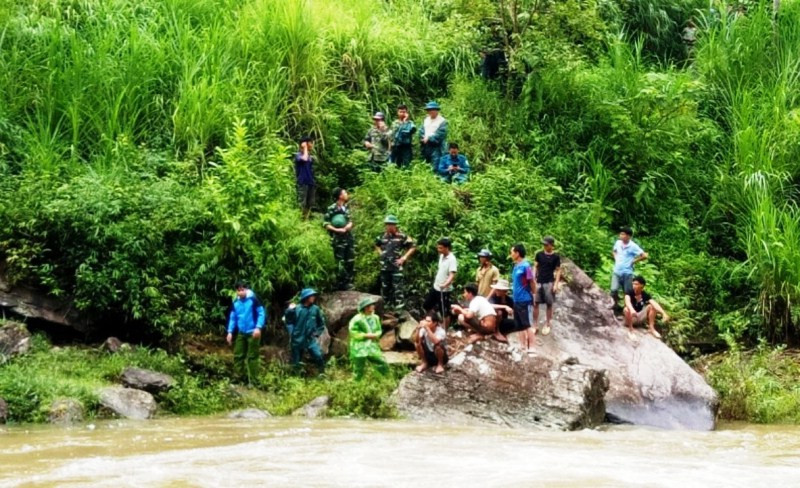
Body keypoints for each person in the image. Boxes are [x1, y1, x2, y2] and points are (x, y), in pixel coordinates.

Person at [226, 281, 266, 384]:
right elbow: (233, 318)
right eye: (238, 290)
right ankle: (239, 376)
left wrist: (258, 327)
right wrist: (230, 332)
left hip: (253, 332)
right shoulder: (236, 302)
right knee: (238, 354)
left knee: (252, 357)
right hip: (241, 332)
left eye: (242, 289)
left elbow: (261, 313)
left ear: (246, 289)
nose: (240, 292)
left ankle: (254, 380)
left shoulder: (254, 299)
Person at [375, 215, 416, 313]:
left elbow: (413, 246)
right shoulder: (381, 236)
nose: (389, 227)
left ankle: (399, 310)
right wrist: (381, 253)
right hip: (385, 267)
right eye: (387, 224)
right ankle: (385, 308)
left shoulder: (402, 236)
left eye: (391, 225)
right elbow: (376, 244)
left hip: (396, 267)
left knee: (398, 289)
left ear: (395, 225)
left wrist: (404, 258)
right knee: (385, 288)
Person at [348, 297, 390, 380]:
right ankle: (357, 382)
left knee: (381, 362)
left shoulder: (376, 318)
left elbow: (379, 330)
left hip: (372, 345)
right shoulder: (357, 319)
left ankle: (384, 378)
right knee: (358, 366)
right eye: (371, 305)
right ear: (366, 307)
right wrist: (365, 335)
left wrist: (376, 335)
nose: (373, 306)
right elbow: (353, 331)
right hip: (359, 346)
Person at [323, 188, 355, 291]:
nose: (346, 194)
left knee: (350, 260)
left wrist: (348, 226)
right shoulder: (331, 208)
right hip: (337, 239)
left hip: (348, 237)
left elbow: (350, 220)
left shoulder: (346, 208)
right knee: (339, 261)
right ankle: (340, 283)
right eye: (345, 192)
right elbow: (326, 224)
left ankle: (348, 282)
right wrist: (336, 230)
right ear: (340, 196)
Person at [423, 238, 457, 329]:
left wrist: (445, 284)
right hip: (436, 287)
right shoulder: (442, 256)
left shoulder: (452, 259)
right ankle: (433, 321)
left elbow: (452, 274)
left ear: (447, 248)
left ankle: (444, 330)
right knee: (427, 305)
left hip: (444, 290)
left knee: (444, 311)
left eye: (441, 248)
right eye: (438, 247)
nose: (439, 250)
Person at [290, 288, 326, 374]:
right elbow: (289, 322)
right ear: (306, 297)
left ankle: (322, 375)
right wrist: (292, 334)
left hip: (310, 339)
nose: (313, 297)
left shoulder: (315, 309)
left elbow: (321, 324)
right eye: (311, 296)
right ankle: (296, 379)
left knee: (318, 356)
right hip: (297, 339)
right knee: (296, 360)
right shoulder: (297, 309)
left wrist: (316, 334)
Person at [611, 227, 648, 309]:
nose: (620, 235)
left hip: (627, 272)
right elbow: (614, 251)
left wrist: (634, 261)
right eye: (620, 234)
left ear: (628, 236)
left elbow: (645, 255)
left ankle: (626, 308)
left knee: (627, 292)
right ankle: (615, 305)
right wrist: (616, 258)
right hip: (617, 271)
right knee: (614, 289)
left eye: (623, 234)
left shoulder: (633, 246)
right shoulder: (618, 243)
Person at [623, 276, 670, 341]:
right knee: (626, 309)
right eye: (633, 284)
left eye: (636, 284)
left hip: (639, 317)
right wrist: (631, 310)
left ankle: (652, 329)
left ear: (642, 285)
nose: (634, 286)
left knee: (651, 306)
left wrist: (663, 313)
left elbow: (654, 303)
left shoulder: (645, 294)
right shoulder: (629, 292)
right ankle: (631, 331)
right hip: (630, 318)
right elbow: (627, 301)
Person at [533, 236, 562, 336]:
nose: (544, 246)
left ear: (551, 245)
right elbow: (535, 266)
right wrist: (533, 279)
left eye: (546, 244)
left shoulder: (556, 257)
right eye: (544, 244)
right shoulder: (539, 254)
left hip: (549, 282)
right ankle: (535, 325)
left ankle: (548, 324)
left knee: (549, 304)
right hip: (539, 281)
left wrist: (556, 284)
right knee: (535, 303)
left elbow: (558, 270)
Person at [510, 243, 536, 353]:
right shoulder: (516, 266)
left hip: (525, 299)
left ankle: (533, 347)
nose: (511, 254)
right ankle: (522, 346)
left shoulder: (526, 266)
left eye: (512, 252)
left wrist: (534, 295)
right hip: (516, 299)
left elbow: (532, 281)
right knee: (519, 325)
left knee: (527, 324)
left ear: (517, 253)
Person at [419, 101, 448, 169]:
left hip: (436, 146)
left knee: (435, 164)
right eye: (428, 110)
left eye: (432, 110)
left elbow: (441, 134)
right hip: (426, 145)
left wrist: (429, 138)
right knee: (426, 163)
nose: (430, 111)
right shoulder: (426, 120)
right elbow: (421, 130)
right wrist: (422, 137)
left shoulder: (442, 121)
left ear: (436, 110)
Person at [294, 135, 316, 219]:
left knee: (309, 204)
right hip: (302, 182)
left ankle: (305, 221)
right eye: (310, 142)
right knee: (301, 204)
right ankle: (299, 220)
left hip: (310, 182)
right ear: (305, 144)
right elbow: (304, 159)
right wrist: (305, 148)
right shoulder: (298, 155)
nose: (312, 144)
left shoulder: (310, 157)